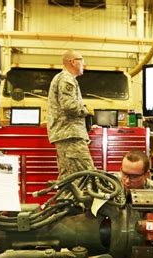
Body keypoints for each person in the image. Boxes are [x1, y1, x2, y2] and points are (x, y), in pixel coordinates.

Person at [47, 50, 94, 181]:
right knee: (86, 176)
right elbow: (69, 105)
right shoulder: (67, 78)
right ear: (72, 62)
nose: (84, 64)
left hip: (65, 135)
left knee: (69, 179)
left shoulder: (62, 78)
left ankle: (66, 200)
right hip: (71, 135)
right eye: (82, 60)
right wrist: (86, 110)